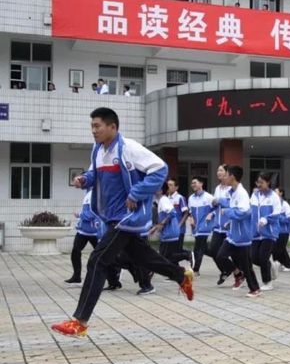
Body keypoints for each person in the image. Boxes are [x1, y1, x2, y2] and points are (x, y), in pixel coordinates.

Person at [50, 107, 193, 337]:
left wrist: (136, 193)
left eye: (98, 126)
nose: (93, 131)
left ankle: (80, 321)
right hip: (110, 217)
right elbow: (94, 175)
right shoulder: (98, 150)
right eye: (92, 126)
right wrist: (84, 179)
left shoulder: (129, 148)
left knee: (97, 260)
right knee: (141, 256)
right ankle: (180, 275)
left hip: (127, 218)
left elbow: (160, 169)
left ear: (112, 127)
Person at [215, 166, 262, 297]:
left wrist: (228, 212)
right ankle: (238, 273)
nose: (224, 177)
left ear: (232, 177)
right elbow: (233, 206)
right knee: (220, 255)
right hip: (233, 235)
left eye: (226, 174)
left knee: (246, 265)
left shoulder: (242, 193)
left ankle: (255, 289)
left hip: (243, 236)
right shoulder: (233, 192)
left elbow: (244, 212)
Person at [250, 173, 282, 290]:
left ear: (268, 183)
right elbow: (250, 211)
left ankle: (267, 282)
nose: (259, 185)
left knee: (263, 257)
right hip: (256, 233)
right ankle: (271, 265)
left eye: (261, 182)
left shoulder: (274, 196)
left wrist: (266, 219)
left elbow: (277, 213)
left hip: (269, 232)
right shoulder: (254, 195)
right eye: (258, 182)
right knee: (253, 258)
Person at [64, 190, 99, 285]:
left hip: (94, 232)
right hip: (83, 231)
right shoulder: (87, 193)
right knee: (75, 251)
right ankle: (76, 276)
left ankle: (113, 277)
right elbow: (86, 210)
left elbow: (93, 213)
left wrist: (80, 215)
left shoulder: (96, 193)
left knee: (102, 255)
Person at [208, 164, 232, 285]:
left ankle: (238, 272)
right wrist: (212, 206)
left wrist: (220, 201)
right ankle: (227, 270)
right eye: (217, 170)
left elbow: (231, 203)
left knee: (229, 253)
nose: (218, 172)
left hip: (228, 227)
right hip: (217, 227)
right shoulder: (218, 188)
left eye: (221, 170)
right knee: (213, 251)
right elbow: (215, 204)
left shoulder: (231, 188)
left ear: (227, 173)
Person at [187, 177, 214, 277]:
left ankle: (195, 269)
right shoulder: (191, 198)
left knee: (197, 248)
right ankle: (220, 256)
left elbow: (216, 208)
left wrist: (211, 214)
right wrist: (191, 218)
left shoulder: (209, 197)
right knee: (205, 249)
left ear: (201, 183)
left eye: (195, 182)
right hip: (195, 227)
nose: (193, 185)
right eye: (192, 183)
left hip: (205, 226)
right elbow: (190, 211)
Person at [272, 188, 290, 272]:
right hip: (275, 231)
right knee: (281, 249)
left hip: (284, 231)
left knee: (278, 249)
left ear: (281, 193)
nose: (274, 194)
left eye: (276, 192)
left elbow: (289, 219)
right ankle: (285, 263)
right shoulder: (273, 204)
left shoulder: (285, 204)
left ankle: (287, 265)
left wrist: (278, 217)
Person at [167, 178, 189, 247]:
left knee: (177, 251)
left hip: (179, 230)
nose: (168, 187)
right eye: (168, 185)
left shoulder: (180, 198)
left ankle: (188, 255)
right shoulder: (166, 198)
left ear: (176, 187)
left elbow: (186, 213)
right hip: (169, 230)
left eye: (171, 185)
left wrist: (179, 225)